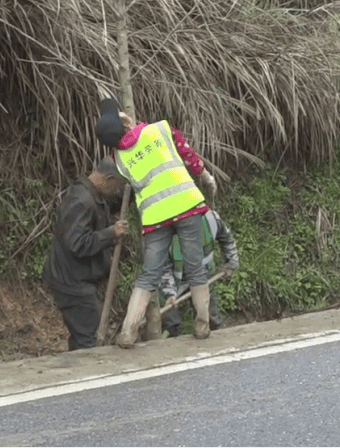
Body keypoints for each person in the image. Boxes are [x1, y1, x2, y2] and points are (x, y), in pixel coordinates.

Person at [96, 97, 220, 343]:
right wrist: (205, 175)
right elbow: (186, 153)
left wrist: (127, 129)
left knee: (148, 275)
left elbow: (129, 150)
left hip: (155, 218)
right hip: (186, 206)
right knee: (195, 268)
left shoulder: (119, 160)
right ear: (124, 119)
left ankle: (128, 332)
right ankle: (202, 325)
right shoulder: (159, 130)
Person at [42, 159, 129, 350]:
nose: (117, 191)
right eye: (117, 185)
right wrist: (110, 234)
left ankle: (78, 374)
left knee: (83, 334)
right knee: (86, 339)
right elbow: (77, 244)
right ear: (108, 179)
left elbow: (110, 204)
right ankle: (85, 376)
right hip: (72, 283)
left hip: (78, 279)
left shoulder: (92, 195)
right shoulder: (81, 201)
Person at [159, 209, 239, 338]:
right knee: (170, 321)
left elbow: (227, 240)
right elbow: (163, 268)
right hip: (175, 280)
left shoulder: (211, 219)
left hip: (202, 276)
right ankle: (170, 344)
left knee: (210, 315)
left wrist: (231, 262)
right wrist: (170, 293)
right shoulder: (165, 230)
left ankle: (217, 340)